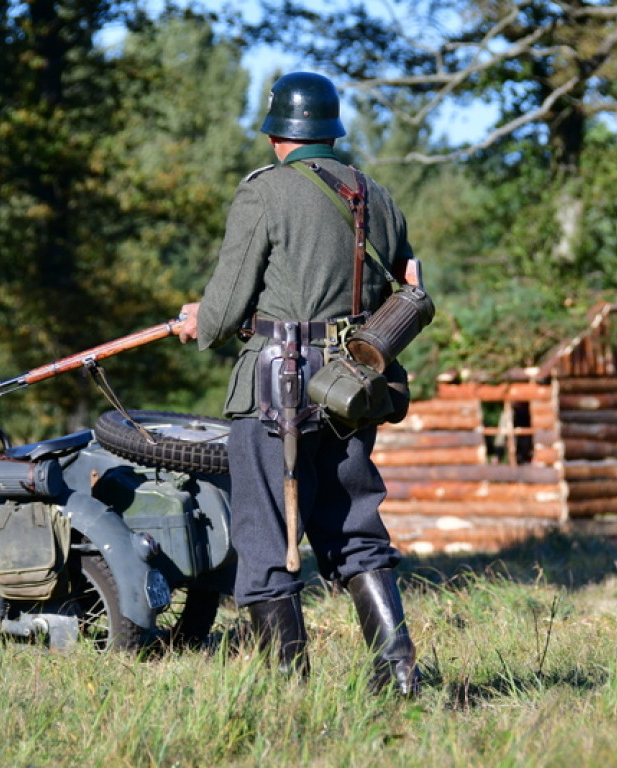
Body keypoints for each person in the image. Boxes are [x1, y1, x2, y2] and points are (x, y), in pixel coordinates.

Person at [177, 72, 421, 694]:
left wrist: (198, 321)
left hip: (275, 385)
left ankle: (289, 687)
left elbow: (227, 305)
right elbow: (409, 280)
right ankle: (397, 676)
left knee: (263, 533)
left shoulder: (267, 192)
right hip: (352, 383)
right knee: (356, 530)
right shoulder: (377, 195)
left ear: (275, 133)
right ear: (329, 130)